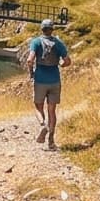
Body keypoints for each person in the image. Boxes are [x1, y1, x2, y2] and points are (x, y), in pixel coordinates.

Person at [26, 18, 71, 150]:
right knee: (52, 110)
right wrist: (61, 64)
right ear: (52, 29)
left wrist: (31, 72)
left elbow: (30, 60)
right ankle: (51, 141)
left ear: (41, 29)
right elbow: (67, 60)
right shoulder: (58, 43)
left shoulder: (36, 42)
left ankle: (43, 126)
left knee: (37, 107)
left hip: (40, 80)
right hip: (55, 80)